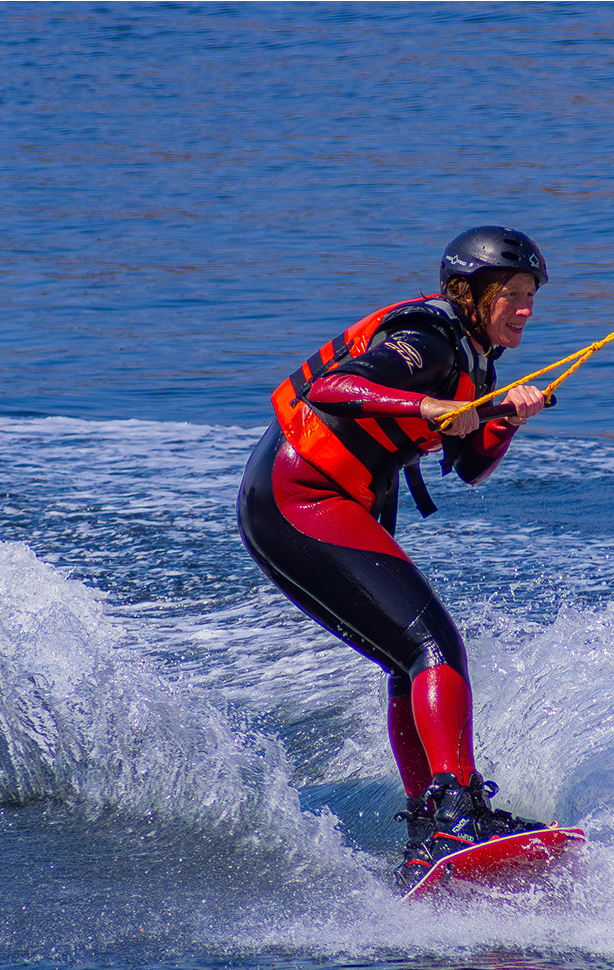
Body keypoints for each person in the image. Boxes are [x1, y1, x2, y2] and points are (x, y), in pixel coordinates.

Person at [237, 226, 552, 892]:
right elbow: (335, 389)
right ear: (466, 294)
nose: (525, 310)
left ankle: (435, 821)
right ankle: (452, 812)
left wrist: (504, 420)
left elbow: (469, 466)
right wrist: (429, 403)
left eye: (531, 297)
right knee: (433, 647)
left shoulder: (473, 358)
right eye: (513, 296)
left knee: (412, 659)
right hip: (299, 499)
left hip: (332, 501)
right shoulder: (427, 341)